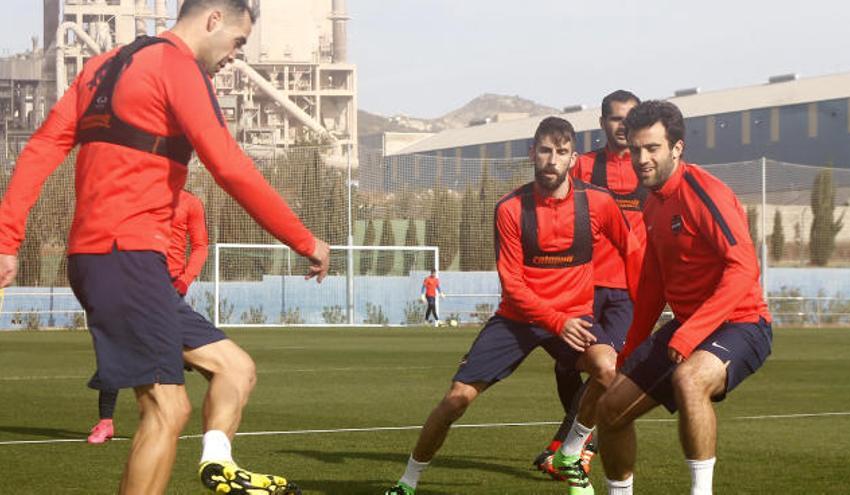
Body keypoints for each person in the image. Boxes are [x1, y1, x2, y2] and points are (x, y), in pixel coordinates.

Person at [0, 1, 330, 494]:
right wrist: (305, 240)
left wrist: (7, 240)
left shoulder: (101, 66)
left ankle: (218, 462)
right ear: (213, 19)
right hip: (124, 256)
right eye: (238, 43)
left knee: (235, 369)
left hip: (113, 260)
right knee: (166, 407)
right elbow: (230, 165)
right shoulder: (177, 66)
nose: (235, 57)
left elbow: (41, 148)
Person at [383, 116, 642, 495]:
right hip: (518, 320)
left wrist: (648, 302)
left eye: (562, 152)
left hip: (574, 317)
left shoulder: (598, 203)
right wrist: (557, 321)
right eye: (545, 150)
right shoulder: (510, 209)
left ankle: (570, 453)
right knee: (455, 401)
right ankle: (407, 482)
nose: (552, 159)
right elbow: (514, 286)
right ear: (532, 153)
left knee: (607, 371)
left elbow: (635, 252)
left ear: (573, 159)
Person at [591, 101, 773, 495]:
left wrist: (692, 336)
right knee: (609, 409)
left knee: (689, 380)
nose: (641, 158)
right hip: (689, 328)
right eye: (636, 149)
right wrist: (632, 347)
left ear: (676, 148)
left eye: (652, 148)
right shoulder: (651, 202)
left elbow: (743, 269)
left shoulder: (706, 194)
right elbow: (654, 283)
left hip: (742, 323)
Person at [534, 90, 645, 481]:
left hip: (627, 292)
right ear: (603, 123)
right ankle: (579, 443)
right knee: (565, 367)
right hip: (580, 287)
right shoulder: (584, 167)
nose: (623, 126)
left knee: (604, 370)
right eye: (616, 119)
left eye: (630, 118)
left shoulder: (648, 166)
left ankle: (571, 447)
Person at [86, 189, 209, 445]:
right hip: (134, 283)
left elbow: (200, 247)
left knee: (166, 355)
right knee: (117, 349)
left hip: (171, 287)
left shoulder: (191, 203)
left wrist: (186, 280)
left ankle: (171, 409)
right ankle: (105, 422)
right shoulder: (138, 196)